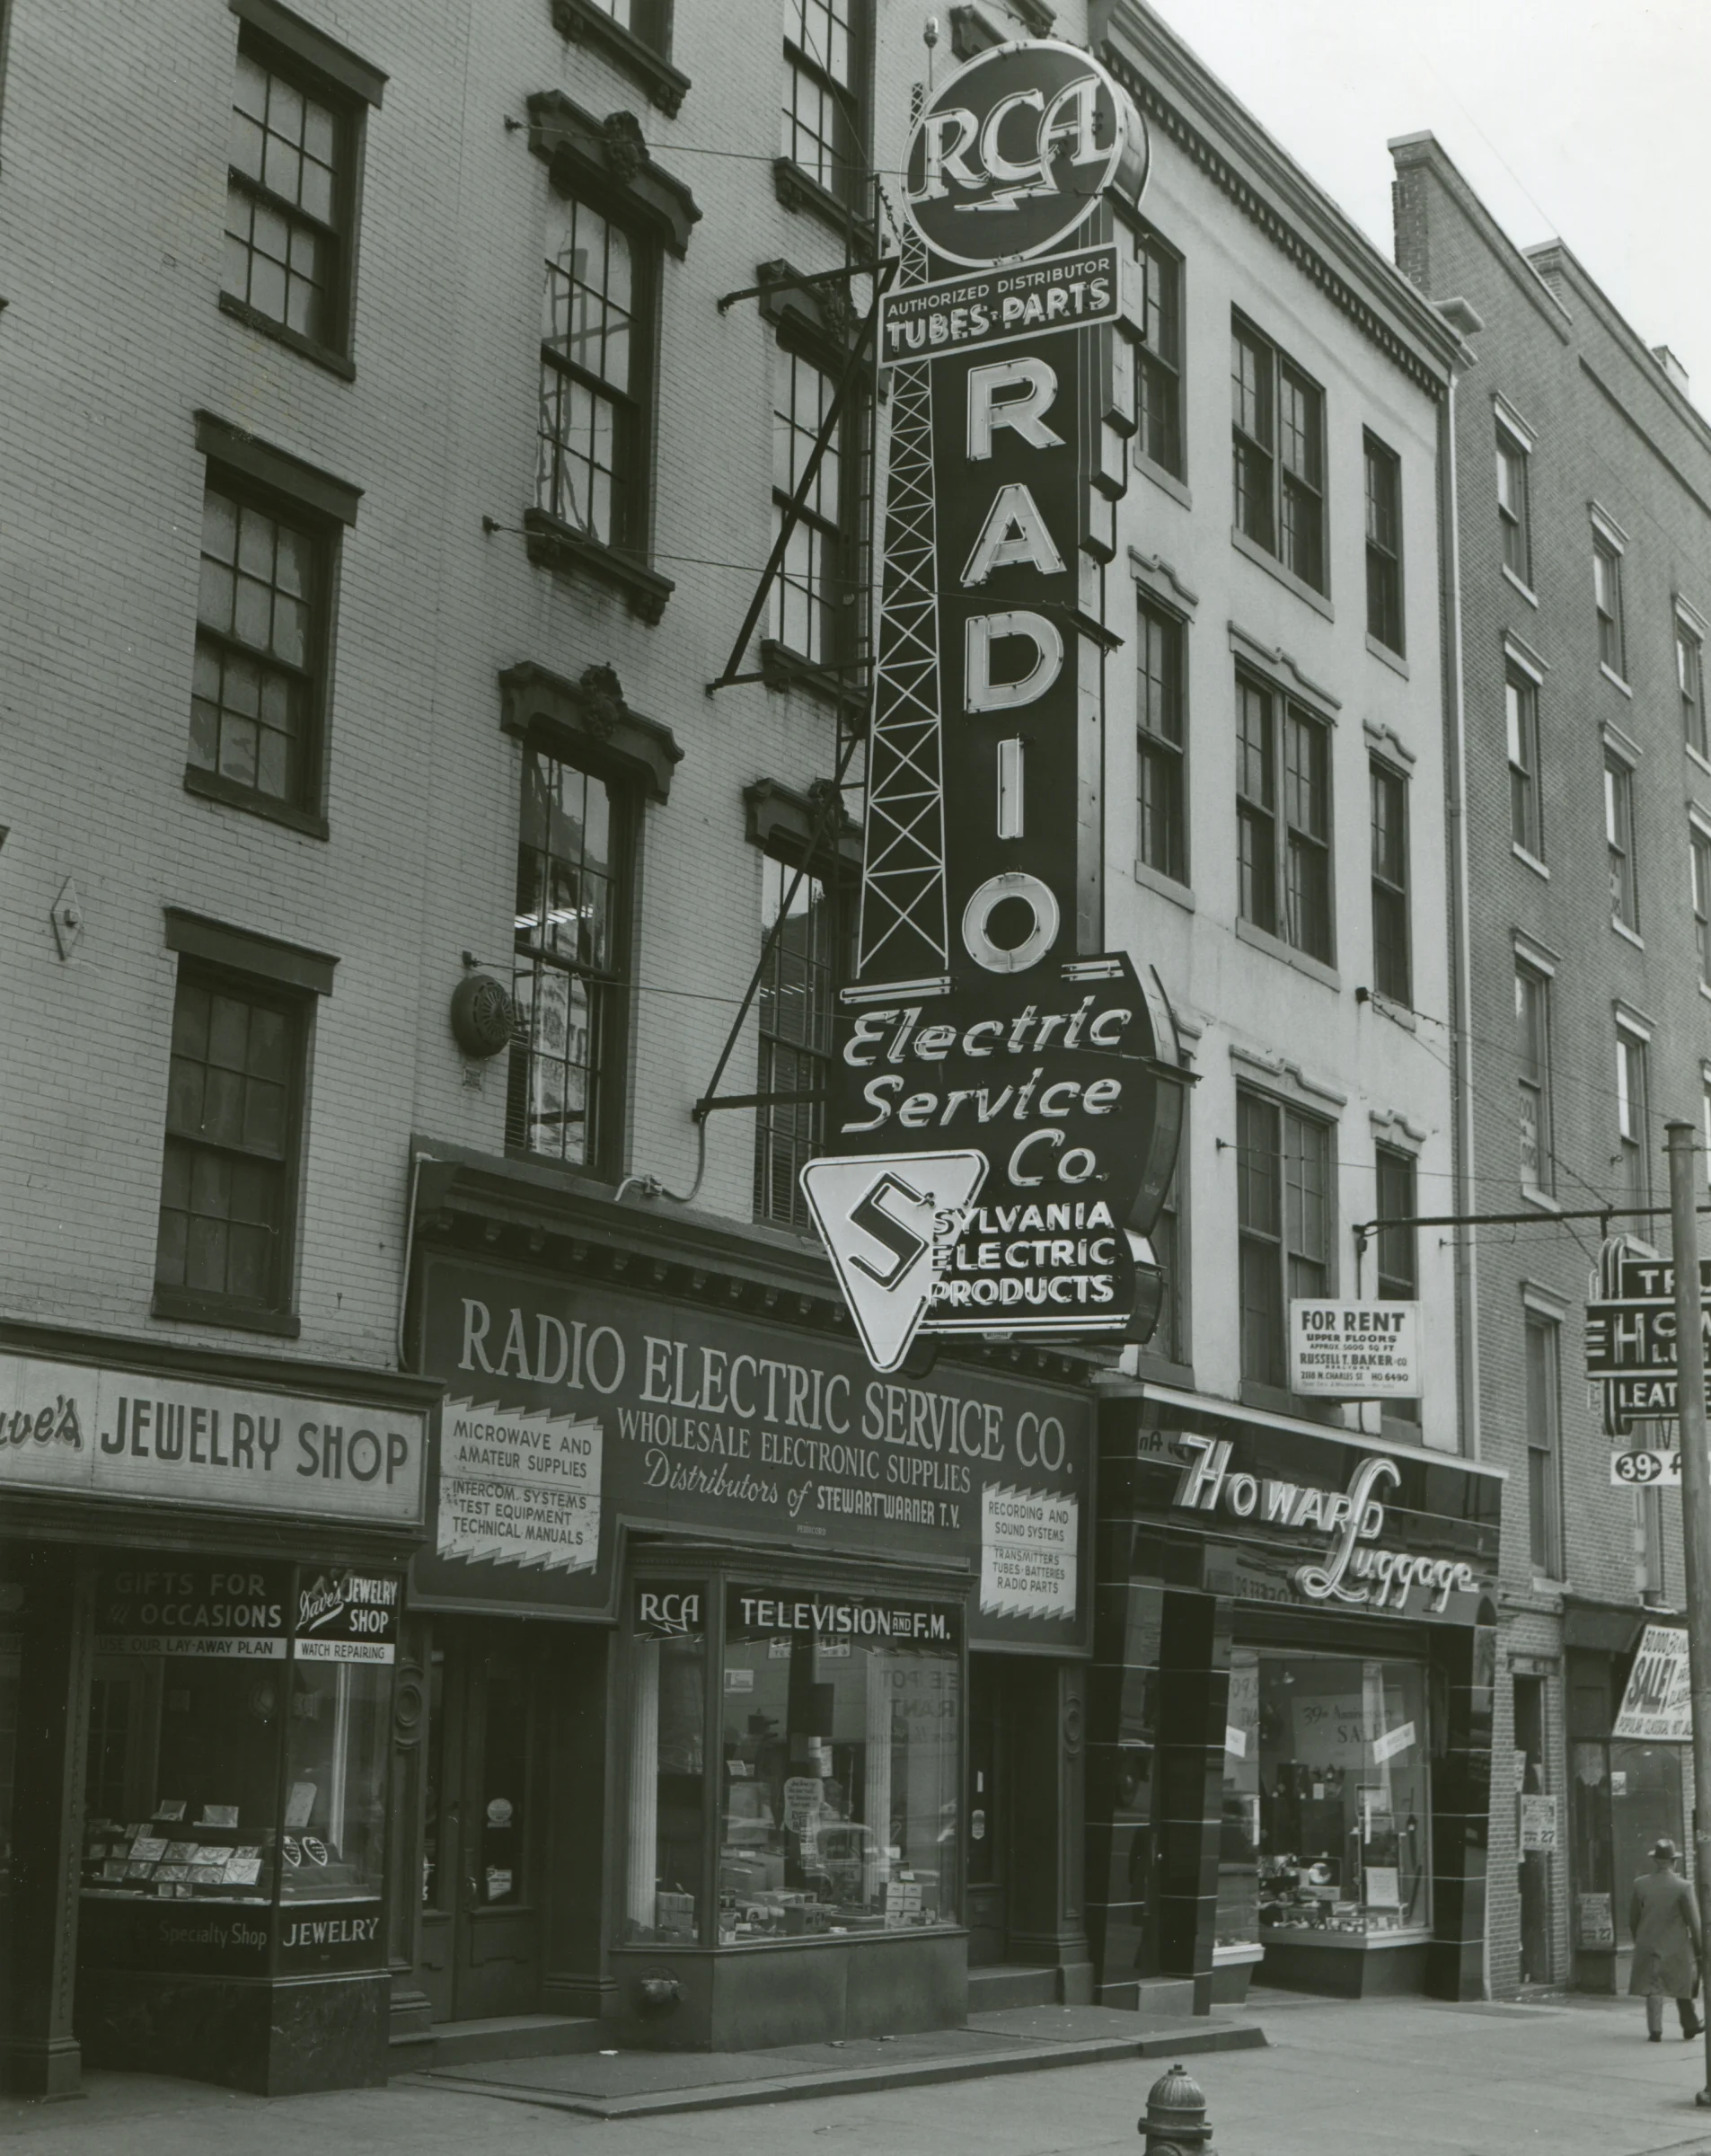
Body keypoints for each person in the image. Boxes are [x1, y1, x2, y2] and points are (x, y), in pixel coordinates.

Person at [1629, 1838, 1704, 2042]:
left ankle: (1655, 2030)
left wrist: (1640, 1940)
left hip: (1648, 1944)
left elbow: (1633, 1919)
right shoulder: (1683, 1886)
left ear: (1656, 1861)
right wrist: (1700, 1950)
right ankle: (1690, 2026)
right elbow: (1694, 1923)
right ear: (1674, 1861)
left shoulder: (1640, 1884)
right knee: (1683, 1983)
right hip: (1677, 1946)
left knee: (1653, 1986)